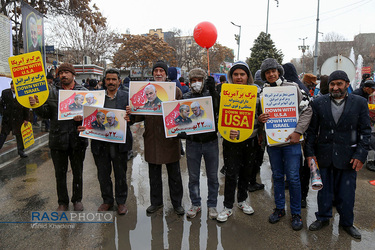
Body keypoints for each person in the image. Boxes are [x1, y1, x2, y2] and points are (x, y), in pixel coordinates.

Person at [305, 70, 371, 239]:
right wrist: (310, 154)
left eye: (339, 84)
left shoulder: (360, 103)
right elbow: (312, 131)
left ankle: (347, 223)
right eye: (332, 84)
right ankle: (323, 217)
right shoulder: (319, 103)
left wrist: (361, 155)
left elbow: (365, 131)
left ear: (347, 85)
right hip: (324, 155)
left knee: (347, 193)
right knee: (324, 191)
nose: (335, 87)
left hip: (349, 157)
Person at [258, 58, 312, 231]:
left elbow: (307, 110)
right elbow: (257, 116)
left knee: (294, 178)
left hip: (291, 142)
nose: (271, 74)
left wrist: (298, 132)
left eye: (274, 71)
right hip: (273, 143)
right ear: (265, 75)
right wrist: (259, 120)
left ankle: (296, 213)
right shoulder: (262, 93)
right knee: (278, 176)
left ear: (279, 71)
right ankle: (280, 209)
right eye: (268, 72)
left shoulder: (293, 87)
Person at [29, 63, 88, 211]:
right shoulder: (51, 92)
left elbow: (93, 116)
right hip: (58, 139)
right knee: (59, 174)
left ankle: (77, 200)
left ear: (73, 75)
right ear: (58, 75)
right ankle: (62, 202)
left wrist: (83, 120)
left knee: (78, 172)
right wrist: (36, 105)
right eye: (61, 72)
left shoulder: (84, 93)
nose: (64, 75)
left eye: (67, 72)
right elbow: (46, 114)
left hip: (77, 139)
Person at [131, 60, 184, 215]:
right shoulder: (144, 91)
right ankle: (156, 202)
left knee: (174, 174)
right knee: (154, 174)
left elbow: (184, 114)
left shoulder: (175, 92)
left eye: (162, 70)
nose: (159, 73)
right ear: (152, 73)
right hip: (152, 138)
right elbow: (138, 116)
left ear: (166, 74)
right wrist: (131, 111)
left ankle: (177, 203)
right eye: (156, 71)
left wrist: (176, 107)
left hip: (170, 139)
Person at [79, 68, 133, 215]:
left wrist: (131, 117)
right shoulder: (96, 98)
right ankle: (107, 200)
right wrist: (84, 125)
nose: (111, 82)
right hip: (100, 144)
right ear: (104, 81)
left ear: (119, 81)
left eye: (114, 79)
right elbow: (88, 117)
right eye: (108, 79)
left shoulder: (127, 97)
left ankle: (121, 202)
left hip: (120, 143)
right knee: (103, 174)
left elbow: (134, 119)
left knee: (120, 174)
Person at [217, 61, 259, 222]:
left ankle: (242, 200)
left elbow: (260, 113)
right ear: (231, 76)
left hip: (250, 139)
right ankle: (228, 206)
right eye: (236, 74)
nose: (239, 77)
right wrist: (228, 130)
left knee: (246, 172)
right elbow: (219, 116)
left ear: (248, 76)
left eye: (242, 74)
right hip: (231, 140)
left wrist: (260, 119)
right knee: (231, 173)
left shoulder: (257, 92)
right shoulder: (224, 92)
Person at [181, 68, 220, 219]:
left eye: (199, 79)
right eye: (193, 80)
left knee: (212, 176)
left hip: (210, 141)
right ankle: (195, 204)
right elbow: (181, 119)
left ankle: (212, 205)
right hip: (193, 143)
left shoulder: (210, 95)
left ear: (204, 81)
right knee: (193, 177)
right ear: (189, 82)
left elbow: (218, 109)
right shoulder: (185, 97)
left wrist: (214, 92)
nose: (196, 83)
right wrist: (180, 131)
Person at [0, 81, 29, 158]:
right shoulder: (5, 93)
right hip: (8, 118)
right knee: (3, 134)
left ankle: (21, 151)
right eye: (12, 85)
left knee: (19, 135)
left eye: (15, 85)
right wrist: (3, 112)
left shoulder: (23, 93)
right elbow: (1, 104)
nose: (13, 87)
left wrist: (26, 119)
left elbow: (26, 107)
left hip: (18, 118)